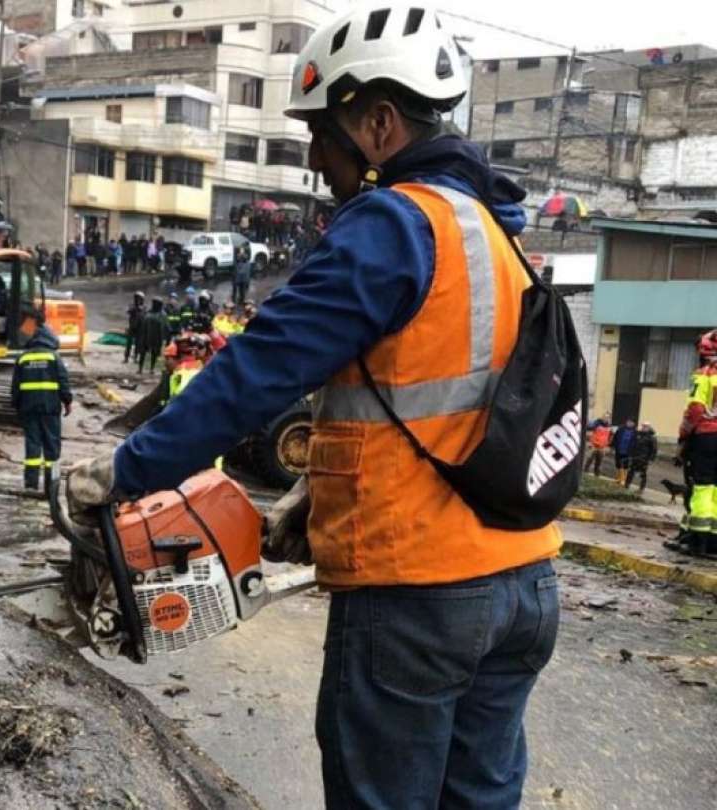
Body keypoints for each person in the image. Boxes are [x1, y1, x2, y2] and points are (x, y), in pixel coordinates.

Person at [64, 7, 563, 807]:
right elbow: (456, 408)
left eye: (321, 135)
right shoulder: (498, 236)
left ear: (377, 121)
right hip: (523, 584)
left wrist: (126, 468)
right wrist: (320, 491)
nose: (315, 159)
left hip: (419, 596)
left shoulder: (395, 224)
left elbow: (259, 371)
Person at [667, 329, 717, 556]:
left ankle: (697, 540)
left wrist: (683, 437)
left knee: (701, 487)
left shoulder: (705, 374)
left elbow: (695, 410)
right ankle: (710, 540)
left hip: (706, 436)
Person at [11, 318, 73, 491]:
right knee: (51, 446)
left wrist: (16, 406)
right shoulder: (54, 357)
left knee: (32, 444)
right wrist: (67, 401)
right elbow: (63, 381)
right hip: (50, 408)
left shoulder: (23, 358)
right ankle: (51, 485)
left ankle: (31, 484)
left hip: (28, 408)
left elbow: (15, 386)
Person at [137, 297, 170, 374]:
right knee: (143, 352)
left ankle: (152, 369)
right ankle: (140, 368)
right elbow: (142, 323)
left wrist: (167, 337)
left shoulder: (163, 314)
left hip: (157, 337)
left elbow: (167, 326)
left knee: (154, 353)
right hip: (146, 335)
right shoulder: (148, 312)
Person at [624, 423, 658, 493]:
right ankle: (626, 485)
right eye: (643, 426)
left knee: (642, 474)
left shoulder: (651, 438)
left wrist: (651, 459)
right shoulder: (638, 435)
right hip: (635, 457)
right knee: (630, 472)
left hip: (644, 459)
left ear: (649, 428)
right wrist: (630, 453)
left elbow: (654, 450)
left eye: (645, 427)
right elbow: (633, 444)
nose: (643, 428)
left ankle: (641, 488)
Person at [613, 419, 637, 486]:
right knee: (618, 464)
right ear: (626, 422)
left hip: (628, 452)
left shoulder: (635, 432)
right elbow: (615, 437)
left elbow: (636, 443)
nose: (629, 423)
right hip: (619, 450)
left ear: (633, 424)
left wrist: (633, 452)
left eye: (631, 422)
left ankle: (623, 480)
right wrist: (613, 446)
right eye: (628, 422)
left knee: (625, 466)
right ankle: (618, 479)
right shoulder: (621, 429)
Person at [124, 291, 146, 364]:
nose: (138, 300)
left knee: (138, 344)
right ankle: (126, 357)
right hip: (132, 327)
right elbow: (128, 311)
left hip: (140, 328)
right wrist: (135, 308)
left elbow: (145, 317)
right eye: (137, 298)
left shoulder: (144, 307)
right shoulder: (132, 305)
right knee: (129, 343)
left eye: (139, 298)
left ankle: (135, 357)